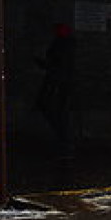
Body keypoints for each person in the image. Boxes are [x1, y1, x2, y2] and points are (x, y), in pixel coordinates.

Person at [35, 23, 76, 155]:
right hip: (59, 81)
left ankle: (64, 139)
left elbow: (57, 63)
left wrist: (44, 64)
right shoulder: (66, 44)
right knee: (58, 109)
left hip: (56, 81)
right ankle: (64, 139)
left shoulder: (62, 45)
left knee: (55, 108)